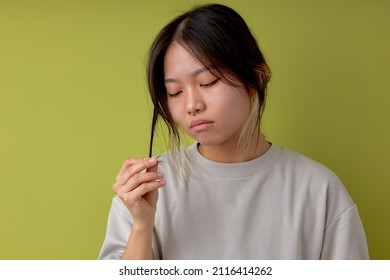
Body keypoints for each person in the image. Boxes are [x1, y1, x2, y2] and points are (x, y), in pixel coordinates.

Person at [99, 3, 369, 260]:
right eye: (175, 92)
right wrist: (142, 225)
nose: (192, 105)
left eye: (208, 82)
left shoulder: (320, 190)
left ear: (257, 78)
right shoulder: (146, 190)